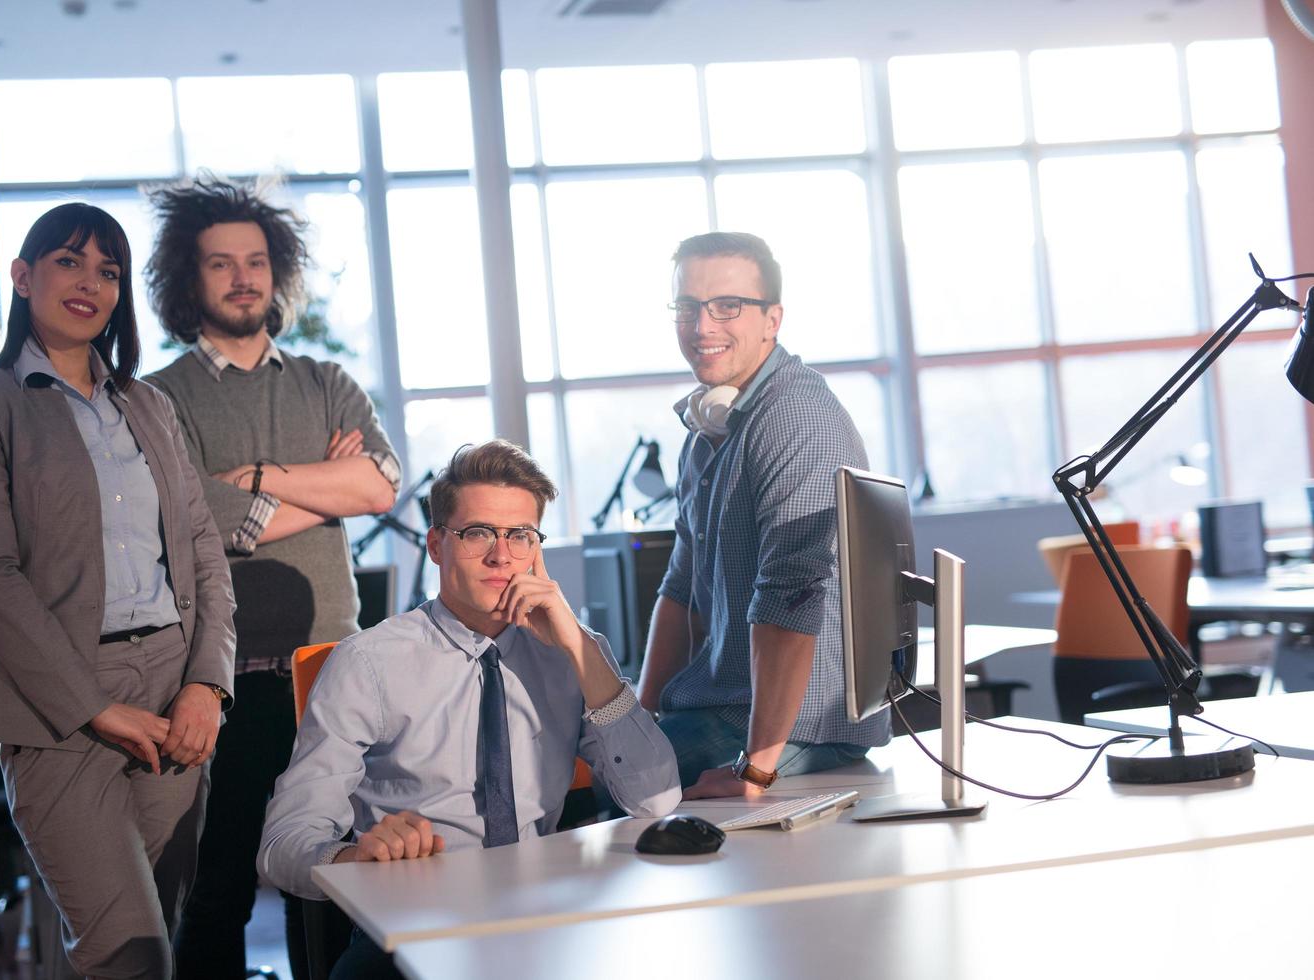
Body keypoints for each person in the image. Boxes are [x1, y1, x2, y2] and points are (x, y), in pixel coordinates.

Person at [0, 202, 236, 978]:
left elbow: (204, 553)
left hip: (173, 695)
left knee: (157, 936)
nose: (90, 283)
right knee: (127, 952)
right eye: (69, 261)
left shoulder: (150, 406)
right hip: (56, 705)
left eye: (108, 270)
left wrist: (207, 682)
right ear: (23, 276)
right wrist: (93, 706)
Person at [258, 440, 681, 979]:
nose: (501, 556)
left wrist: (581, 650)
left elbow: (659, 800)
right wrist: (354, 856)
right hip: (416, 916)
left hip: (546, 907)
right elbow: (282, 843)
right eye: (478, 533)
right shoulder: (366, 662)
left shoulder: (571, 651)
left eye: (521, 536)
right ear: (436, 544)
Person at [142, 175, 400, 980]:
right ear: (190, 280)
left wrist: (253, 476)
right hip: (225, 676)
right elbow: (194, 524)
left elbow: (381, 485)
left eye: (255, 260)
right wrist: (323, 489)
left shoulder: (325, 381)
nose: (242, 276)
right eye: (221, 264)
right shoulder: (158, 399)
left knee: (327, 881)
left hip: (333, 669)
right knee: (219, 887)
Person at [637, 231, 891, 801]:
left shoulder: (795, 421)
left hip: (787, 726)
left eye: (728, 307)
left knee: (588, 789)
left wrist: (756, 769)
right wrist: (641, 721)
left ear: (772, 319)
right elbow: (678, 593)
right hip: (725, 704)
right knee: (593, 758)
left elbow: (791, 597)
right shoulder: (709, 430)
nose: (702, 327)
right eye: (687, 307)